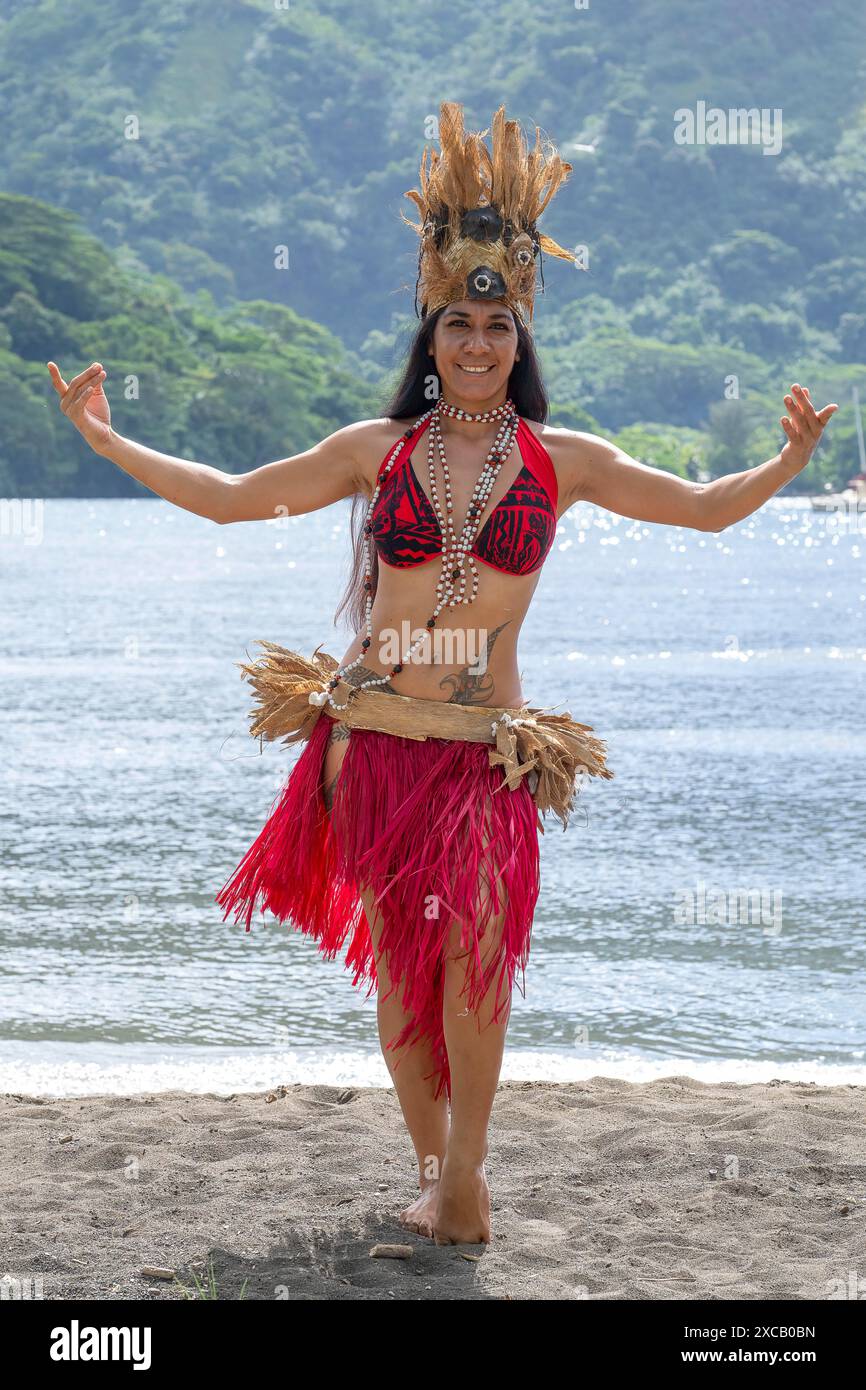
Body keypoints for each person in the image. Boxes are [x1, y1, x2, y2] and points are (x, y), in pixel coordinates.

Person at [47, 102, 837, 1247]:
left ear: (521, 337)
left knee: (475, 966)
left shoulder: (564, 463)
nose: (475, 344)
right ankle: (431, 1173)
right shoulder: (376, 454)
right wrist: (109, 442)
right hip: (372, 747)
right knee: (404, 976)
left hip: (483, 759)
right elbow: (229, 498)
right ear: (430, 333)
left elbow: (704, 509)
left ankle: (465, 1173)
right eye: (458, 324)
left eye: (495, 326)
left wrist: (783, 460)